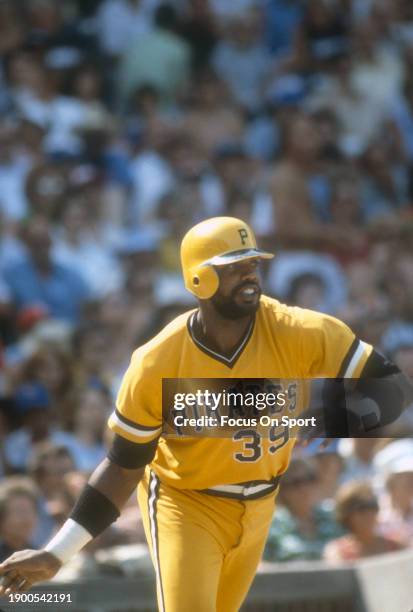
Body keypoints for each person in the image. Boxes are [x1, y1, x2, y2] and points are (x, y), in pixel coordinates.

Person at [0, 217, 412, 612]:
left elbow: (394, 390)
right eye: (234, 267)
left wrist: (315, 415)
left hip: (261, 501)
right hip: (187, 503)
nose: (250, 274)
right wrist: (57, 552)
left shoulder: (301, 330)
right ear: (199, 278)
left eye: (253, 264)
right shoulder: (156, 361)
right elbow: (123, 466)